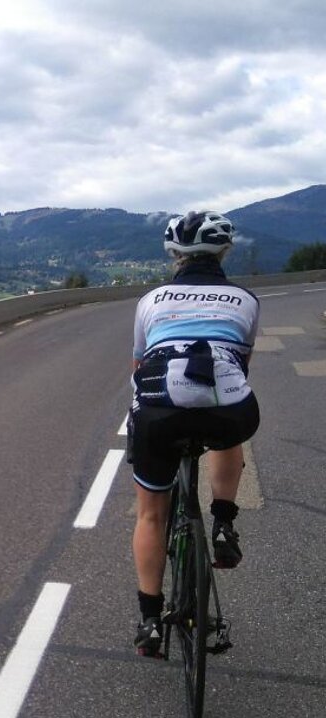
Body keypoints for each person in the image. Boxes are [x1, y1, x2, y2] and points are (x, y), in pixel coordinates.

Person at [128, 211, 261, 658]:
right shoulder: (245, 300)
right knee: (228, 419)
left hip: (159, 410)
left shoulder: (152, 299)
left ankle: (150, 620)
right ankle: (223, 522)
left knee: (151, 513)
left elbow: (137, 365)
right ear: (225, 251)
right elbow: (241, 365)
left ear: (173, 254)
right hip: (224, 406)